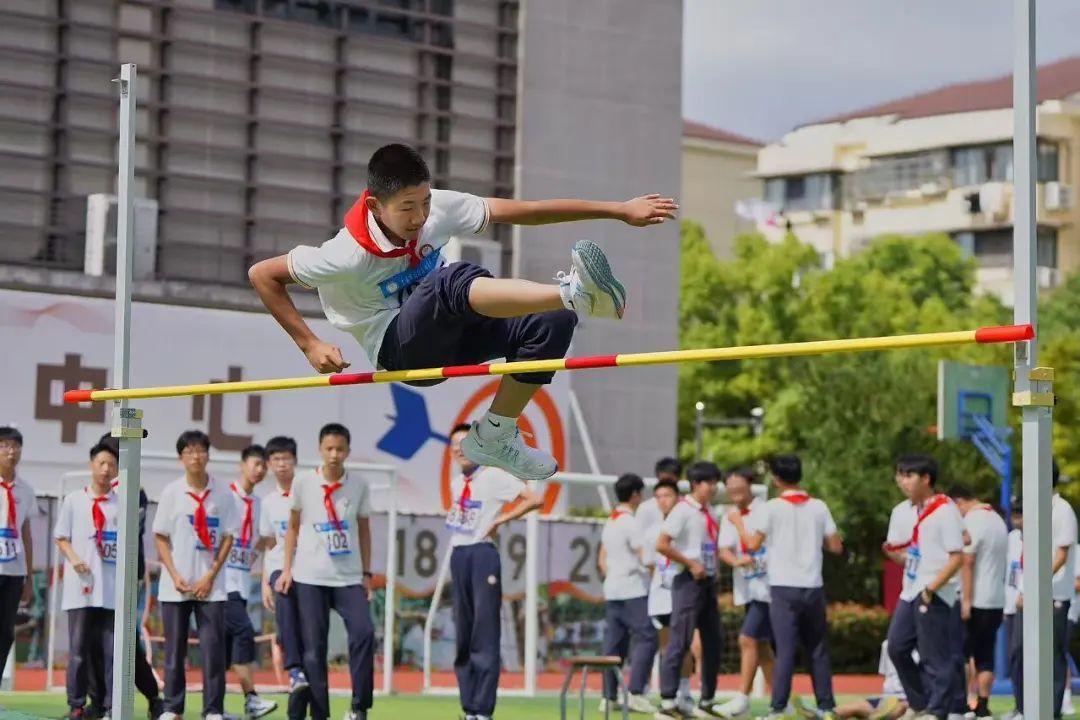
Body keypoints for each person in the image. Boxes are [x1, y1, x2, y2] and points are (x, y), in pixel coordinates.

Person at [248, 143, 677, 482]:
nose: (420, 217)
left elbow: (525, 211)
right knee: (449, 280)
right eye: (407, 208)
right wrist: (310, 343)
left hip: (451, 332)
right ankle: (574, 292)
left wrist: (617, 210)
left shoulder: (437, 207)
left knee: (551, 320)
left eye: (424, 202)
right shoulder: (344, 254)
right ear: (376, 206)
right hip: (400, 350)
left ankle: (494, 436)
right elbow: (263, 275)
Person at [730, 453, 843, 720]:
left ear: (776, 479)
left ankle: (778, 708)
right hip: (813, 585)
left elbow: (753, 544)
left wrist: (738, 524)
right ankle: (826, 706)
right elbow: (836, 546)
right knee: (817, 648)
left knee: (785, 649)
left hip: (783, 587)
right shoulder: (819, 507)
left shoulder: (771, 508)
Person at [443, 423, 543, 720]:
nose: (460, 450)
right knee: (463, 631)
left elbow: (535, 499)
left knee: (484, 631)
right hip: (459, 554)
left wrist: (501, 520)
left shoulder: (494, 476)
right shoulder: (456, 483)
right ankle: (469, 707)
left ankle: (483, 709)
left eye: (465, 443)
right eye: (455, 445)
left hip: (483, 554)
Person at [276, 423, 375, 720]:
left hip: (349, 577)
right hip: (310, 576)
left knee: (364, 633)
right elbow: (292, 528)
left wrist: (367, 574)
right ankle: (320, 714)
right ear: (320, 449)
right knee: (314, 648)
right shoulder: (303, 483)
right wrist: (287, 569)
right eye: (329, 449)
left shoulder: (359, 485)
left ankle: (359, 706)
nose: (334, 455)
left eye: (340, 449)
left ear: (348, 451)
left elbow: (364, 530)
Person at [153, 430, 237, 720]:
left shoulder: (223, 493)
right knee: (174, 651)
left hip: (211, 587)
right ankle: (172, 707)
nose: (196, 456)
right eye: (189, 451)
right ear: (181, 458)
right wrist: (174, 574)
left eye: (201, 450)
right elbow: (160, 536)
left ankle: (213, 709)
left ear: (208, 455)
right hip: (176, 586)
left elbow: (228, 536)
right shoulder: (172, 493)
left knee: (213, 651)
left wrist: (210, 575)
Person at [882, 455, 964, 720]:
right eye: (900, 475)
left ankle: (938, 710)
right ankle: (920, 704)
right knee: (896, 647)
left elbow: (957, 556)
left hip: (933, 591)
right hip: (911, 589)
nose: (902, 481)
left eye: (908, 476)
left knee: (934, 657)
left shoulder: (945, 509)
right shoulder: (911, 510)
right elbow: (916, 551)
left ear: (926, 479)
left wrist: (931, 588)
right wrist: (898, 555)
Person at [54, 440, 121, 720]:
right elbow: (61, 537)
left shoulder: (122, 503)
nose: (106, 469)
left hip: (112, 589)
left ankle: (111, 706)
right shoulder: (74, 500)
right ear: (91, 464)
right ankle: (77, 705)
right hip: (80, 588)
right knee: (79, 650)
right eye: (101, 463)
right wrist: (74, 559)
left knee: (111, 652)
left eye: (111, 465)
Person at [1007, 460, 1077, 719]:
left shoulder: (1063, 510)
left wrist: (1036, 585)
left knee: (1052, 656)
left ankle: (1052, 712)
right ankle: (1024, 709)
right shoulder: (1033, 510)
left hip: (1054, 594)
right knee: (1019, 652)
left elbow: (1061, 555)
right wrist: (1024, 589)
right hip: (1029, 593)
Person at [654, 461, 723, 719]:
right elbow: (662, 544)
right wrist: (691, 563)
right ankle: (668, 701)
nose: (713, 488)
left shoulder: (710, 512)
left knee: (714, 640)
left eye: (715, 482)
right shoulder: (683, 510)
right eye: (709, 483)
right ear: (696, 484)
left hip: (708, 581)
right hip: (687, 580)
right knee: (680, 640)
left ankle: (707, 699)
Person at [715, 466, 773, 719]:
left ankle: (742, 699)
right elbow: (724, 549)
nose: (734, 490)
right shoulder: (729, 515)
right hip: (747, 588)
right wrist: (736, 561)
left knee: (747, 639)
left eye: (738, 484)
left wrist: (738, 523)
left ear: (750, 484)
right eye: (730, 486)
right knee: (762, 648)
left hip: (768, 588)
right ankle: (783, 699)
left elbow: (752, 544)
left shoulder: (766, 511)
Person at [224, 445, 277, 719]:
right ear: (242, 465)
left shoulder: (260, 504)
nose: (260, 470)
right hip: (222, 584)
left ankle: (214, 707)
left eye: (263, 466)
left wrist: (257, 554)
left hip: (242, 582)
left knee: (223, 647)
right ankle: (251, 698)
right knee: (243, 632)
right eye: (256, 464)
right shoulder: (225, 497)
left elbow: (264, 539)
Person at [597, 472, 658, 715]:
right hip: (633, 588)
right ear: (635, 495)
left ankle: (608, 696)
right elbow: (645, 556)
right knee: (647, 637)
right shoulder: (631, 523)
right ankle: (635, 692)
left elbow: (602, 560)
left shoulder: (611, 522)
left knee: (614, 643)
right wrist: (655, 576)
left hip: (613, 588)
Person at [259, 435, 310, 720]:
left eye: (286, 458)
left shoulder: (308, 493)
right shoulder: (267, 503)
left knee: (309, 632)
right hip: (281, 570)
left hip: (311, 569)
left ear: (295, 461)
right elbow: (269, 545)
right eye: (276, 459)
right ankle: (294, 671)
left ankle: (306, 678)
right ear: (269, 464)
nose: (281, 464)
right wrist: (264, 581)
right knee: (284, 595)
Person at [947, 485, 1007, 720]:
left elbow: (968, 561)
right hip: (996, 600)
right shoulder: (998, 520)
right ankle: (982, 707)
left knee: (959, 653)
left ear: (959, 502)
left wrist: (966, 600)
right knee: (985, 656)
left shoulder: (972, 521)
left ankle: (959, 705)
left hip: (975, 599)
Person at [642, 476, 695, 712]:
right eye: (659, 497)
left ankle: (685, 692)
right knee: (667, 648)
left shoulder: (686, 526)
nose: (663, 501)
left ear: (678, 498)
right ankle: (668, 696)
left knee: (684, 646)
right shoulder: (652, 532)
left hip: (683, 593)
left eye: (667, 495)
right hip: (661, 597)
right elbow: (649, 564)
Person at [794, 641, 912, 720]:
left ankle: (878, 715)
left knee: (899, 708)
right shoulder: (887, 644)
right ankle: (826, 715)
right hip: (885, 698)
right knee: (855, 706)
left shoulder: (920, 646)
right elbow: (886, 676)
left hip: (907, 700)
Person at [0, 426, 34, 685]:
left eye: (15, 446)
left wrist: (29, 577)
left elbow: (26, 534)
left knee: (5, 633)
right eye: (5, 446)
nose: (11, 452)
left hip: (14, 571)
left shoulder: (25, 489)